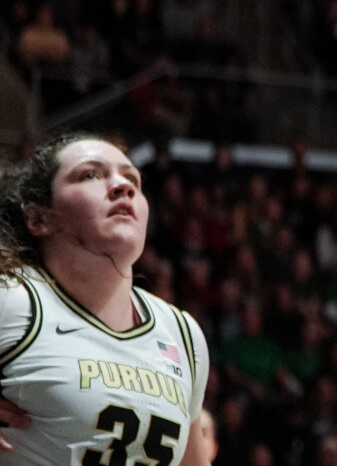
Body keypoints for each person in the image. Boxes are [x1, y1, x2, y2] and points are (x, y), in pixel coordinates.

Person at [0, 134, 212, 463]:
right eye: (91, 175)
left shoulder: (182, 334)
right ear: (39, 218)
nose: (121, 186)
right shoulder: (14, 300)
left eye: (132, 179)